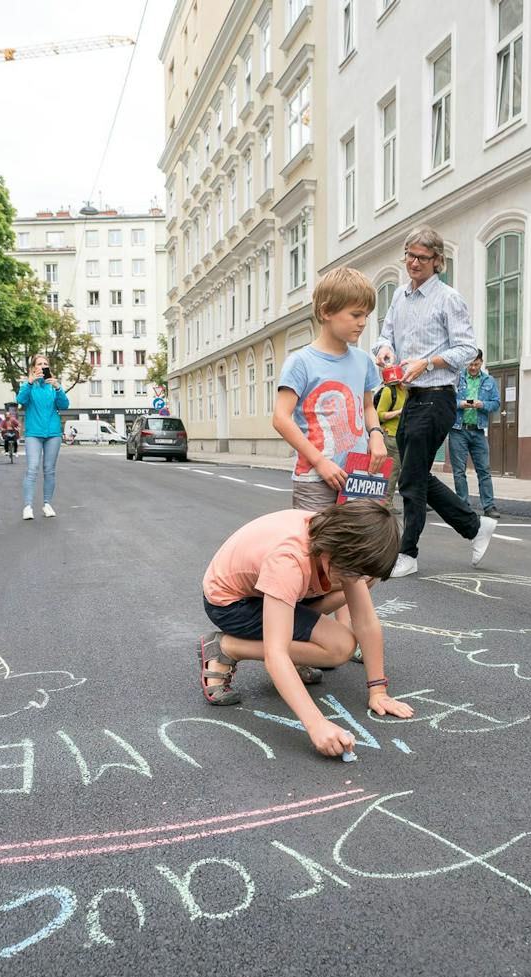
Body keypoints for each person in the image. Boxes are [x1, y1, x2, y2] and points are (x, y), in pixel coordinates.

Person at [198, 500, 416, 757]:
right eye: (352, 571)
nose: (356, 579)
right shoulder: (289, 561)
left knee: (344, 622)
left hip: (273, 591)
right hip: (232, 605)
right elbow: (275, 654)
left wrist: (379, 690)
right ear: (335, 551)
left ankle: (291, 647)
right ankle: (228, 648)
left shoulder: (338, 540)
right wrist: (316, 724)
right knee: (339, 648)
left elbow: (366, 621)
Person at [372, 226, 497, 578]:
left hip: (439, 397)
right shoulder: (399, 296)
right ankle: (474, 527)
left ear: (438, 261)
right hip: (410, 396)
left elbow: (466, 349)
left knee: (411, 479)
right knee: (416, 476)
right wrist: (384, 351)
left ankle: (408, 553)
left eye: (421, 258)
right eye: (409, 255)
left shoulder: (448, 298)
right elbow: (386, 336)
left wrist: (427, 362)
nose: (413, 262)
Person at [272, 267, 387, 512]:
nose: (363, 323)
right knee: (315, 547)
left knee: (359, 546)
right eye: (355, 314)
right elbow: (281, 418)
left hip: (360, 473)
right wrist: (320, 462)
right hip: (316, 477)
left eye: (366, 315)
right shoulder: (300, 362)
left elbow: (368, 406)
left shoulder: (363, 361)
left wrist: (376, 434)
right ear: (326, 312)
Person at [447, 350, 501, 518]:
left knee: (484, 469)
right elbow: (447, 399)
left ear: (481, 362)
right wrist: (460, 404)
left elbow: (496, 403)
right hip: (458, 430)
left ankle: (489, 506)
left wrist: (482, 404)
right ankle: (463, 505)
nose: (473, 367)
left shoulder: (489, 381)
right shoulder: (457, 379)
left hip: (478, 431)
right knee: (459, 471)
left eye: (476, 364)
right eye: (470, 364)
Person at [15, 359, 69, 521]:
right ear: (33, 368)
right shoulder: (29, 386)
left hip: (53, 433)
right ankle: (28, 506)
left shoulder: (53, 386)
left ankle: (47, 504)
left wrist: (58, 388)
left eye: (45, 364)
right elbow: (21, 400)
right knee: (32, 468)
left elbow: (64, 405)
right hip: (34, 433)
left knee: (49, 469)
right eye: (39, 364)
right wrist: (30, 383)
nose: (42, 366)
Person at [372, 377, 408, 516]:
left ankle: (383, 502)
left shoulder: (411, 392)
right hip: (391, 436)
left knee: (397, 471)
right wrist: (399, 412)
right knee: (391, 472)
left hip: (405, 436)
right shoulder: (389, 390)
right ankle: (385, 503)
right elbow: (379, 414)